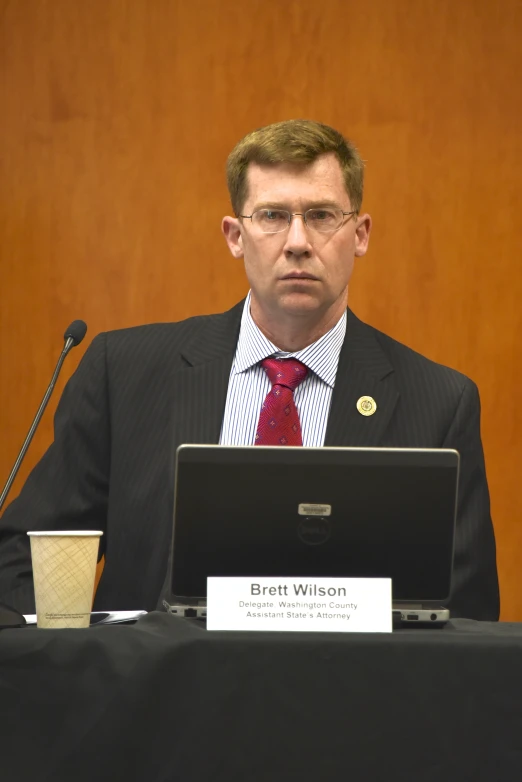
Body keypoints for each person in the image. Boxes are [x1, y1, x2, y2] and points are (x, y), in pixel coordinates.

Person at [0, 119, 499, 619]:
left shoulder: (438, 403)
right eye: (273, 216)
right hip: (156, 690)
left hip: (346, 692)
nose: (298, 241)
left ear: (360, 234)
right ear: (235, 236)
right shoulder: (123, 373)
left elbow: (468, 617)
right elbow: (23, 555)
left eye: (322, 215)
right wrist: (69, 673)